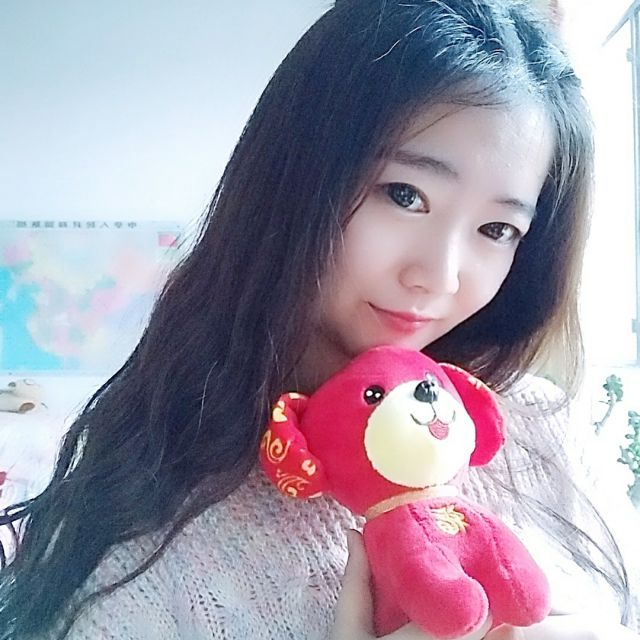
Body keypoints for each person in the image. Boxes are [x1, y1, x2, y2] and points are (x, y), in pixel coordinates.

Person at [0, 0, 638, 638]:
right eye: (405, 195)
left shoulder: (537, 427)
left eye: (497, 229)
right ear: (296, 177)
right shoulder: (143, 533)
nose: (440, 276)